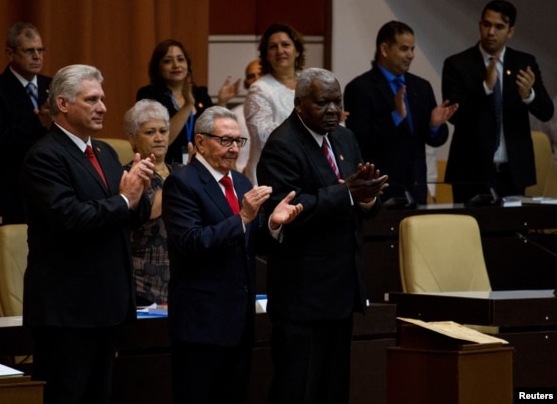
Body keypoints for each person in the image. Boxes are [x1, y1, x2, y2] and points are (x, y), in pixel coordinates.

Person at [21, 64, 155, 404]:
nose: (103, 108)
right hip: (67, 313)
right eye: (92, 99)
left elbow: (126, 215)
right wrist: (124, 199)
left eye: (103, 99)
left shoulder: (107, 153)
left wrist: (138, 193)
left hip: (107, 308)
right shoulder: (44, 156)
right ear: (63, 104)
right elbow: (69, 218)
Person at [256, 68, 388, 404]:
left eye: (336, 102)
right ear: (299, 104)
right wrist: (346, 194)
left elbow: (359, 201)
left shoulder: (344, 138)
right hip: (302, 295)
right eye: (322, 103)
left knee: (334, 389)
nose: (332, 110)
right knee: (298, 390)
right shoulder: (282, 145)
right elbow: (287, 209)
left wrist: (368, 198)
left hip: (341, 291)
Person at [162, 106, 302, 404]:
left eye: (239, 141)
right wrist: (242, 217)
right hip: (200, 325)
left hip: (239, 323)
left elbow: (253, 242)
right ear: (200, 142)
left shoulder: (239, 182)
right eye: (226, 141)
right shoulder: (181, 182)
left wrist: (274, 224)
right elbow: (190, 243)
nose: (234, 149)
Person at [442, 0, 554, 203]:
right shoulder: (458, 64)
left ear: (510, 31)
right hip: (470, 173)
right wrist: (485, 87)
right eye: (487, 25)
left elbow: (547, 111)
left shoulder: (524, 63)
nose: (491, 32)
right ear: (480, 25)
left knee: (514, 233)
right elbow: (455, 116)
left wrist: (529, 95)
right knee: (472, 232)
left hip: (513, 172)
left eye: (499, 27)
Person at [0, 22, 52, 317]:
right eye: (29, 51)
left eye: (40, 50)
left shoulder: (52, 86)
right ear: (10, 53)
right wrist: (38, 123)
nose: (37, 56)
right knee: (1, 287)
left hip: (45, 195)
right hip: (8, 197)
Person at [344, 21, 457, 205]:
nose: (411, 55)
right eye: (404, 49)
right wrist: (395, 116)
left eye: (412, 49)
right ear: (385, 49)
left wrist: (434, 126)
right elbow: (359, 139)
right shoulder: (360, 88)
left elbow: (436, 139)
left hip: (417, 188)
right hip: (381, 192)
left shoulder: (421, 87)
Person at [136, 39, 240, 164]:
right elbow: (162, 139)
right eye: (168, 61)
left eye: (180, 59)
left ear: (187, 65)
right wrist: (188, 105)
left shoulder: (200, 94)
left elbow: (214, 134)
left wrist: (222, 102)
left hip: (202, 164)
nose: (176, 65)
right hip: (165, 165)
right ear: (158, 67)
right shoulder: (149, 95)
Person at [123, 99, 173, 305]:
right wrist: (189, 178)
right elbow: (147, 211)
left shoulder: (179, 170)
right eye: (150, 132)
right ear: (133, 138)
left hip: (181, 280)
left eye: (163, 131)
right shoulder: (128, 175)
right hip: (142, 282)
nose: (159, 138)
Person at [244, 23, 306, 185]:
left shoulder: (309, 83)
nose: (280, 51)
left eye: (285, 44)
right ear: (266, 55)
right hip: (270, 173)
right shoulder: (259, 89)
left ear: (297, 50)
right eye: (273, 47)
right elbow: (262, 136)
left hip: (306, 169)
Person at [232, 59, 262, 173]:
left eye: (261, 74)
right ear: (246, 83)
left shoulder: (281, 110)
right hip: (241, 177)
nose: (256, 79)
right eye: (251, 76)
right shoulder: (235, 114)